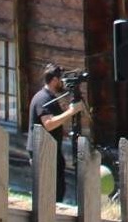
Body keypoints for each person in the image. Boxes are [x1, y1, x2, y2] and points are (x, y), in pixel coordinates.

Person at [28, 63, 86, 203]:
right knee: (49, 191)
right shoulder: (43, 98)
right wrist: (71, 111)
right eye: (61, 80)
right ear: (54, 80)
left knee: (58, 187)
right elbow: (48, 124)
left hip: (51, 149)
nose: (63, 83)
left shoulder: (49, 97)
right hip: (43, 151)